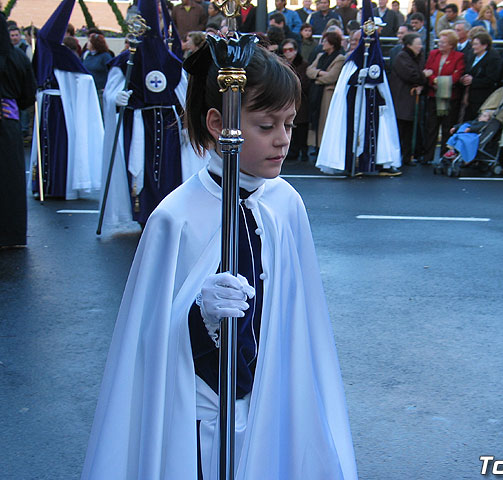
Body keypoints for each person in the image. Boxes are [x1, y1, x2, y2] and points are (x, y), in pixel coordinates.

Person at [81, 39, 358, 480]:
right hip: (202, 413)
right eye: (267, 125)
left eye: (289, 123)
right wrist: (198, 313)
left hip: (271, 396)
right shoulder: (176, 217)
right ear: (219, 123)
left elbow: (297, 319)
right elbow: (148, 342)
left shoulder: (285, 203)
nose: (283, 140)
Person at [100, 0, 202, 228]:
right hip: (138, 125)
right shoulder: (126, 61)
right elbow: (111, 91)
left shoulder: (172, 64)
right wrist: (116, 97)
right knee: (141, 169)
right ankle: (143, 212)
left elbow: (186, 96)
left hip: (169, 127)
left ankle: (170, 212)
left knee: (169, 169)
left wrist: (188, 124)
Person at [316, 0, 402, 176]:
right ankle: (351, 163)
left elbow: (380, 83)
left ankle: (374, 163)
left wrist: (370, 79)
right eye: (354, 40)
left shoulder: (374, 59)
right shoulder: (351, 60)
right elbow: (346, 84)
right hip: (354, 103)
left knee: (374, 132)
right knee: (354, 132)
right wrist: (357, 77)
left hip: (372, 104)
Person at [30, 0, 103, 199]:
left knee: (58, 146)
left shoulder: (62, 55)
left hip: (60, 109)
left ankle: (58, 186)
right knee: (44, 146)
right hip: (46, 104)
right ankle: (43, 186)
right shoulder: (45, 49)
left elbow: (83, 78)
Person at [0, 12, 36, 248]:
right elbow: (27, 97)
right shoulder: (19, 58)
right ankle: (10, 234)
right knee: (9, 180)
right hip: (8, 125)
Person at [422, 29, 465, 164]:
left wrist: (437, 81)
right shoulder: (433, 54)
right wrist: (435, 81)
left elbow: (457, 76)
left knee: (447, 128)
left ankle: (444, 156)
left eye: (443, 42)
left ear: (451, 44)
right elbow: (427, 71)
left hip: (450, 98)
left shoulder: (458, 56)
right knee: (431, 127)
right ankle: (427, 156)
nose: (440, 44)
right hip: (433, 95)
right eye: (439, 41)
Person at [389, 32, 427, 166]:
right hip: (402, 97)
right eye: (418, 44)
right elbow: (411, 75)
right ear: (409, 45)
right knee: (401, 128)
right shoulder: (402, 57)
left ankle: (407, 156)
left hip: (410, 97)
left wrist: (421, 82)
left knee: (409, 129)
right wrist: (423, 77)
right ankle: (398, 156)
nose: (420, 47)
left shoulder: (418, 57)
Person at [306, 30, 346, 151]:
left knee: (325, 122)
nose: (322, 43)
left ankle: (324, 148)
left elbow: (332, 77)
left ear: (332, 44)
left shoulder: (340, 58)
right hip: (316, 94)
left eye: (325, 41)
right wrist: (319, 73)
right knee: (316, 120)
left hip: (327, 96)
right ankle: (316, 146)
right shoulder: (320, 56)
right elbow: (309, 70)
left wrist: (316, 78)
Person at [280, 38, 311, 162]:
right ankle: (292, 151)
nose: (288, 52)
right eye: (285, 50)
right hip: (285, 100)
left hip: (301, 100)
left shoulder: (303, 64)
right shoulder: (280, 64)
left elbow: (304, 82)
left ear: (296, 51)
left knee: (301, 129)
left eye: (291, 50)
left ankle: (303, 152)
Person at [461, 31, 501, 120]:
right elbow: (467, 70)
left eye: (476, 44)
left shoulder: (493, 58)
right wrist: (464, 78)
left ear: (484, 45)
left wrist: (473, 81)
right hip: (469, 96)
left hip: (483, 97)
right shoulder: (471, 54)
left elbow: (492, 79)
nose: (473, 47)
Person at [82, 33, 113, 97]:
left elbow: (111, 71)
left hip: (100, 91)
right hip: (87, 89)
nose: (87, 43)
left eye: (89, 41)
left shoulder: (105, 56)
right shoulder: (87, 55)